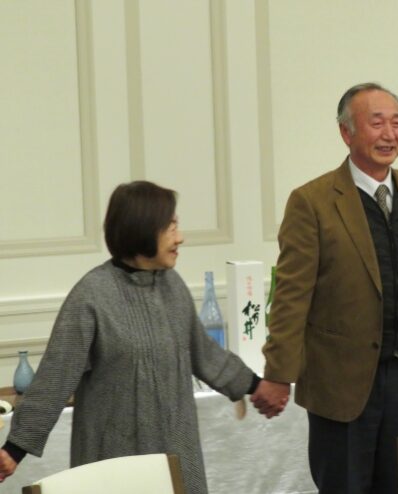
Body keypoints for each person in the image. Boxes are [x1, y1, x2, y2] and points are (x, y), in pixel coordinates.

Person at [250, 82, 398, 493]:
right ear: (346, 132)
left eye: (396, 123)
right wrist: (279, 373)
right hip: (342, 384)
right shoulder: (312, 201)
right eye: (377, 123)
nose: (390, 134)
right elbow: (291, 297)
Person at [0, 181, 277, 494]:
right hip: (113, 464)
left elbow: (206, 354)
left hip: (177, 455)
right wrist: (14, 449)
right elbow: (54, 379)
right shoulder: (91, 296)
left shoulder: (173, 287)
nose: (180, 238)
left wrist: (256, 385)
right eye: (171, 227)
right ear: (143, 228)